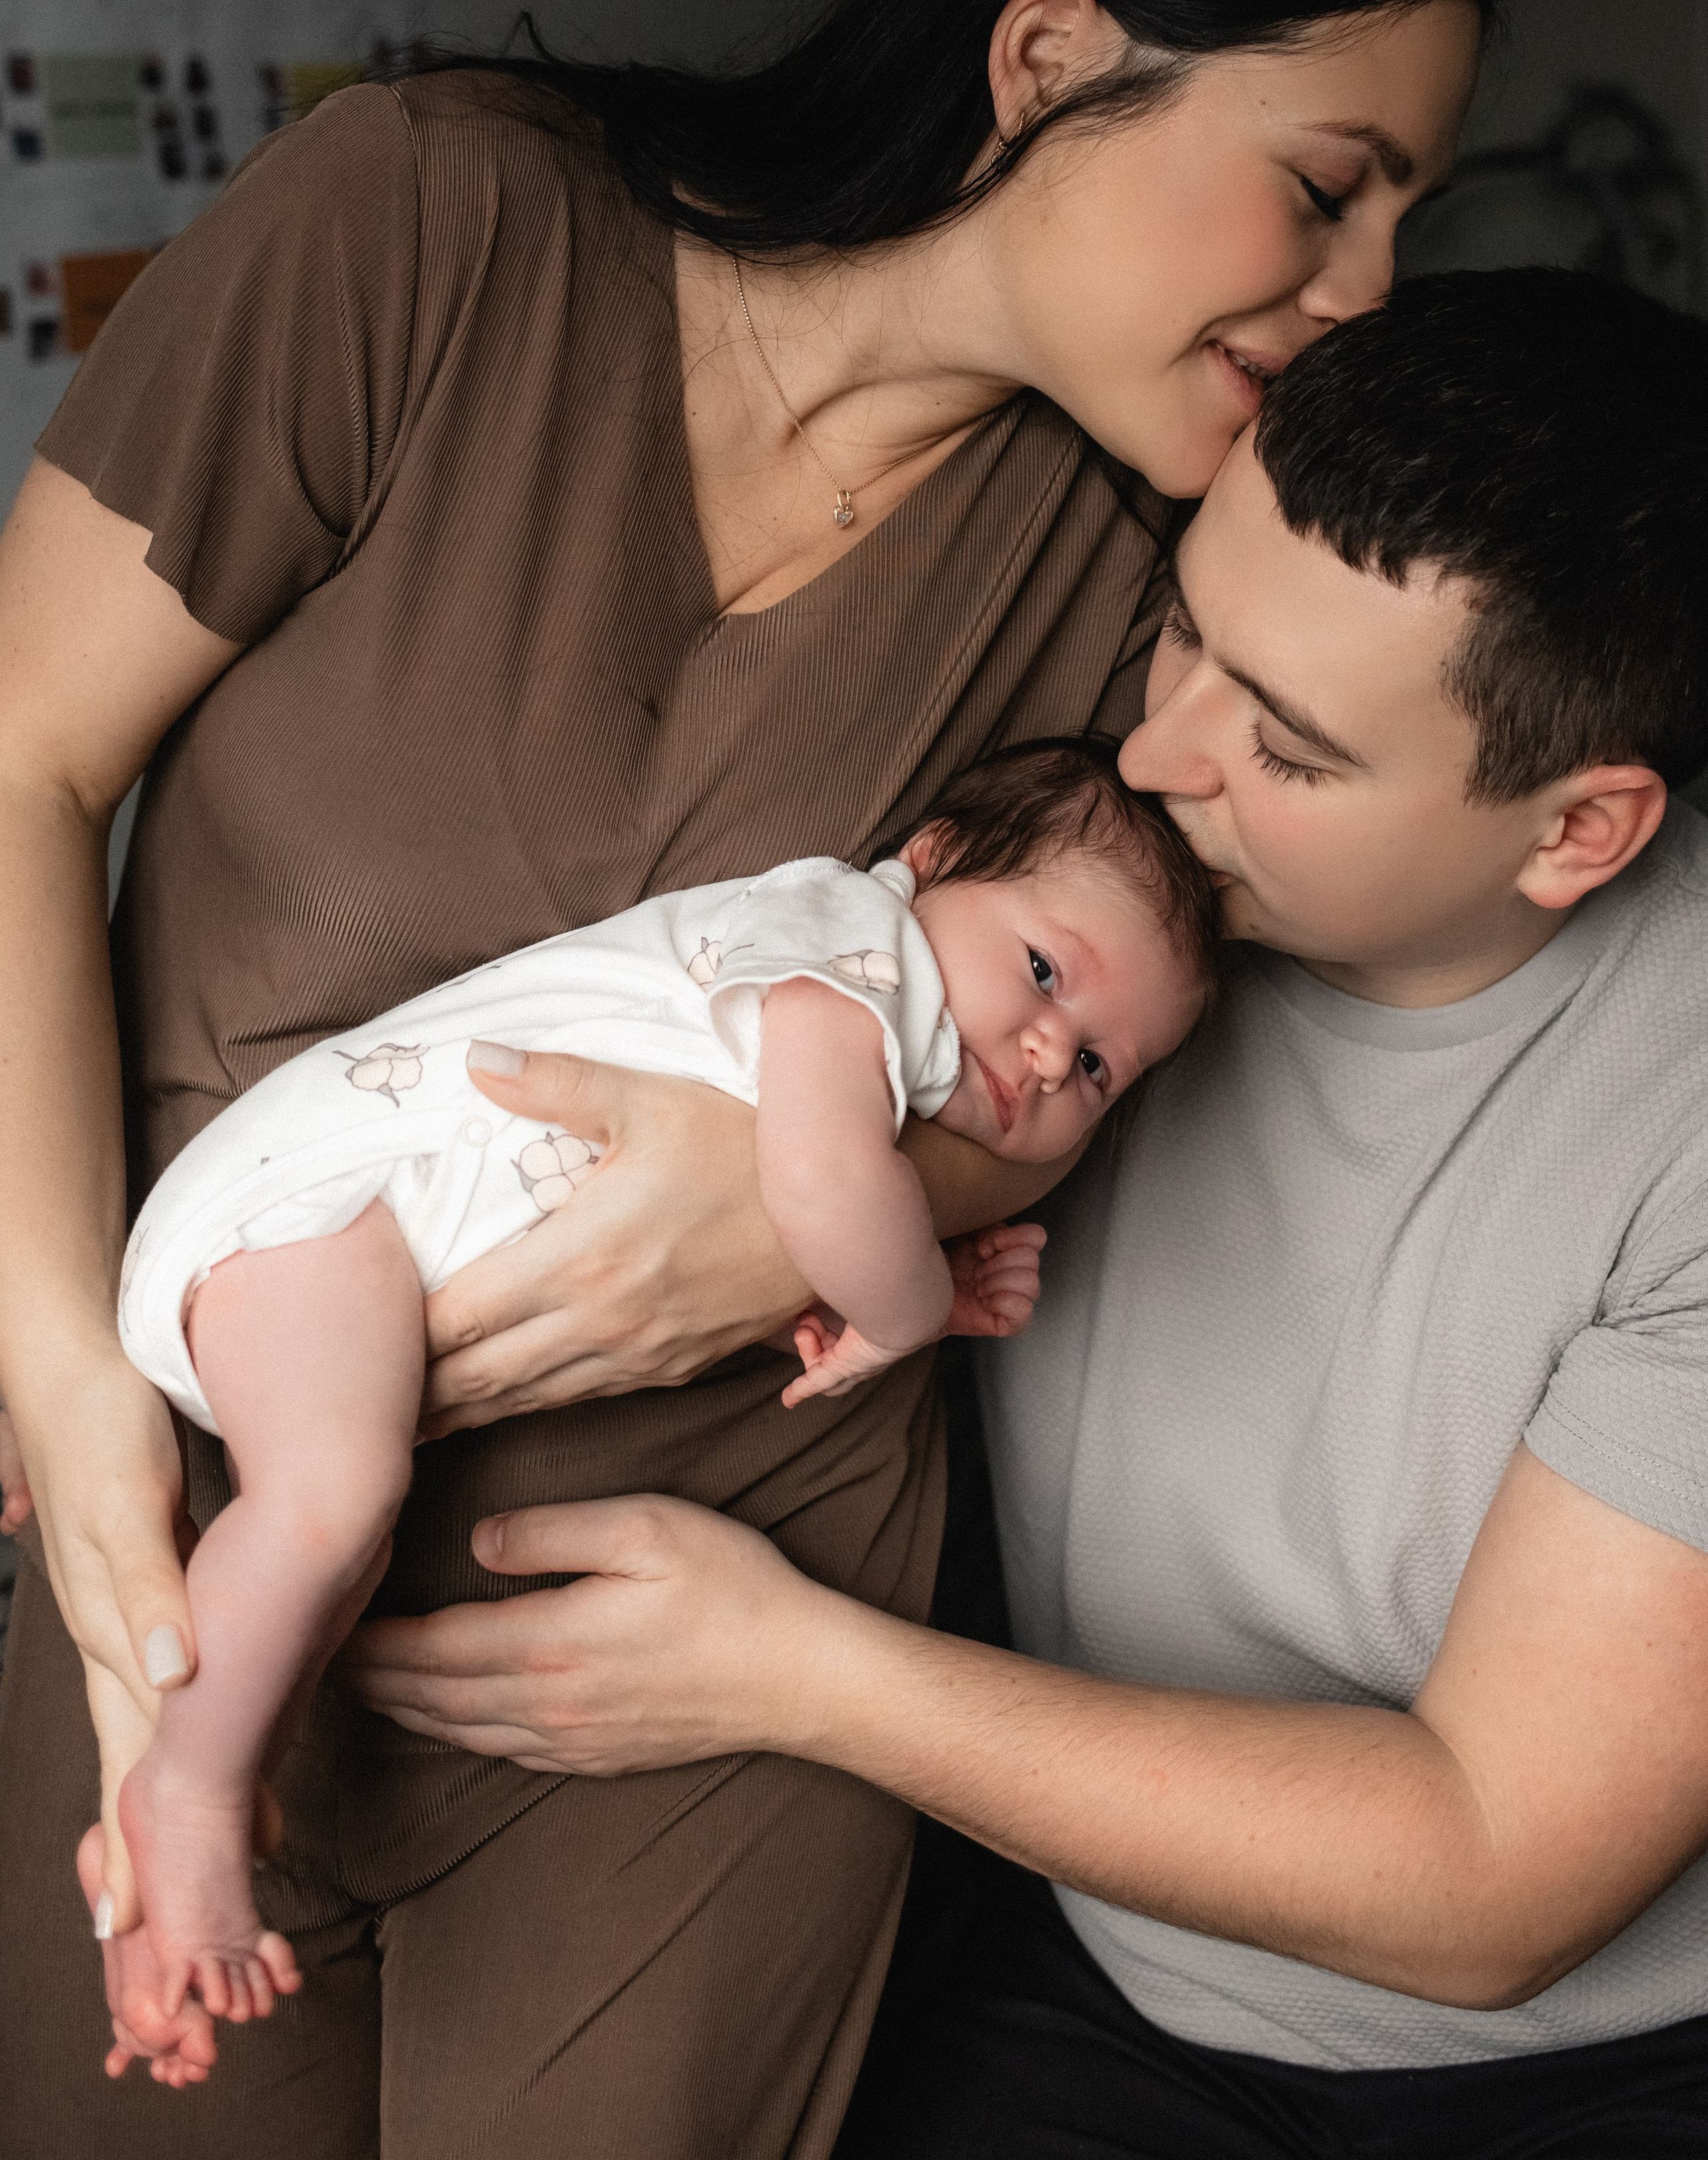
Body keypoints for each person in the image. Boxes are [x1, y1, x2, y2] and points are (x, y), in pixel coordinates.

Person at [0, 0, 1493, 2158]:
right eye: (1329, 184)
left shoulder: (1153, 582)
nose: (1368, 285)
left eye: (1410, 216)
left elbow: (1099, 1057)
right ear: (1049, 53)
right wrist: (67, 1385)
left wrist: (820, 1198)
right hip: (173, 1555)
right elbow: (26, 767)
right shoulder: (430, 232)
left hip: (698, 1643)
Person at [342, 272, 1708, 2159]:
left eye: (1290, 749)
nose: (1158, 759)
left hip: (1570, 2069)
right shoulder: (1113, 849)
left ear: (1577, 831)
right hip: (1086, 1969)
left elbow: (1492, 1881)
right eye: (1186, 638)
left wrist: (785, 1672)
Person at [97, 745, 1215, 2086]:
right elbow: (812, 1182)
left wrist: (916, 1280)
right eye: (1041, 971)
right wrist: (911, 1304)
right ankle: (189, 1794)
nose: (1045, 1053)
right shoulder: (846, 946)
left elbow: (775, 1242)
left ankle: (173, 1843)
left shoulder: (893, 1039)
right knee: (328, 1504)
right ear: (926, 861)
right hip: (321, 1202)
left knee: (322, 1575)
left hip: (354, 1251)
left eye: (1097, 1066)